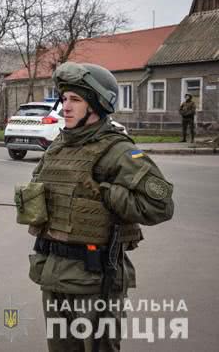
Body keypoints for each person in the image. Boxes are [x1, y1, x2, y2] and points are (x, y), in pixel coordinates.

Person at [26, 62, 174, 352]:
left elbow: (161, 205)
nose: (65, 107)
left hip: (94, 279)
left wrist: (106, 194)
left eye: (76, 100)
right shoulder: (59, 146)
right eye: (64, 98)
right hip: (52, 273)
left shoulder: (117, 150)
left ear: (96, 105)